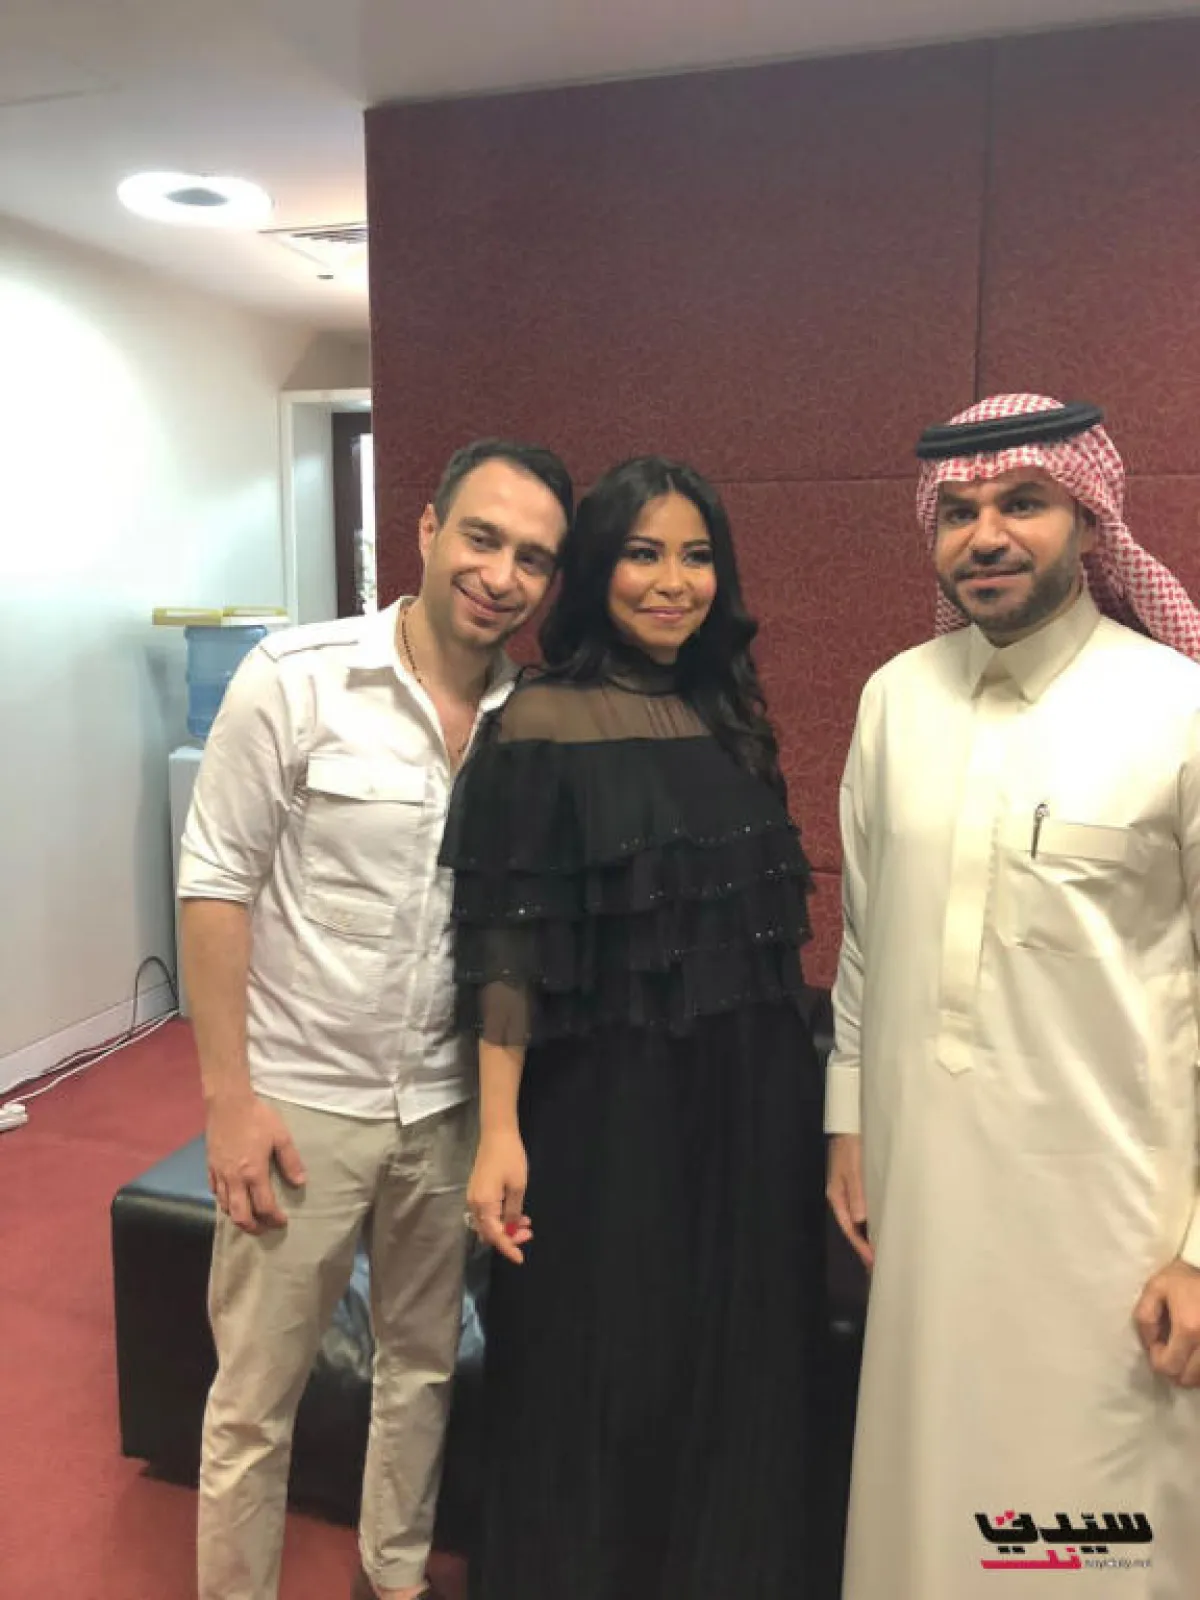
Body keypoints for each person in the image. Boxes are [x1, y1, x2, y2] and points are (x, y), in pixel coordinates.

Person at [177, 438, 572, 1600]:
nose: (501, 575)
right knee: (254, 1400)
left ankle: (391, 1577)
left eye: (533, 558)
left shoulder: (534, 719)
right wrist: (228, 1101)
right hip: (300, 1102)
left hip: (445, 1107)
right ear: (428, 529)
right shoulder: (295, 677)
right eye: (483, 538)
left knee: (422, 1368)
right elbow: (215, 882)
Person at [825, 393, 1200, 1600]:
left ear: (1090, 520)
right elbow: (868, 940)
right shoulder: (894, 700)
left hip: (1115, 1226)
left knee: (1088, 1534)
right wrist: (851, 1122)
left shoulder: (1177, 707)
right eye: (958, 511)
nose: (985, 535)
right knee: (930, 1499)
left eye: (1023, 503)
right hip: (928, 1195)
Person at [440, 456, 829, 1600]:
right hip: (607, 1104)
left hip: (753, 1096)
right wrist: (498, 1131)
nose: (673, 582)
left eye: (697, 556)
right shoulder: (537, 723)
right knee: (610, 1361)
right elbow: (506, 943)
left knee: (741, 1359)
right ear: (598, 569)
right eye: (643, 554)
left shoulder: (728, 711)